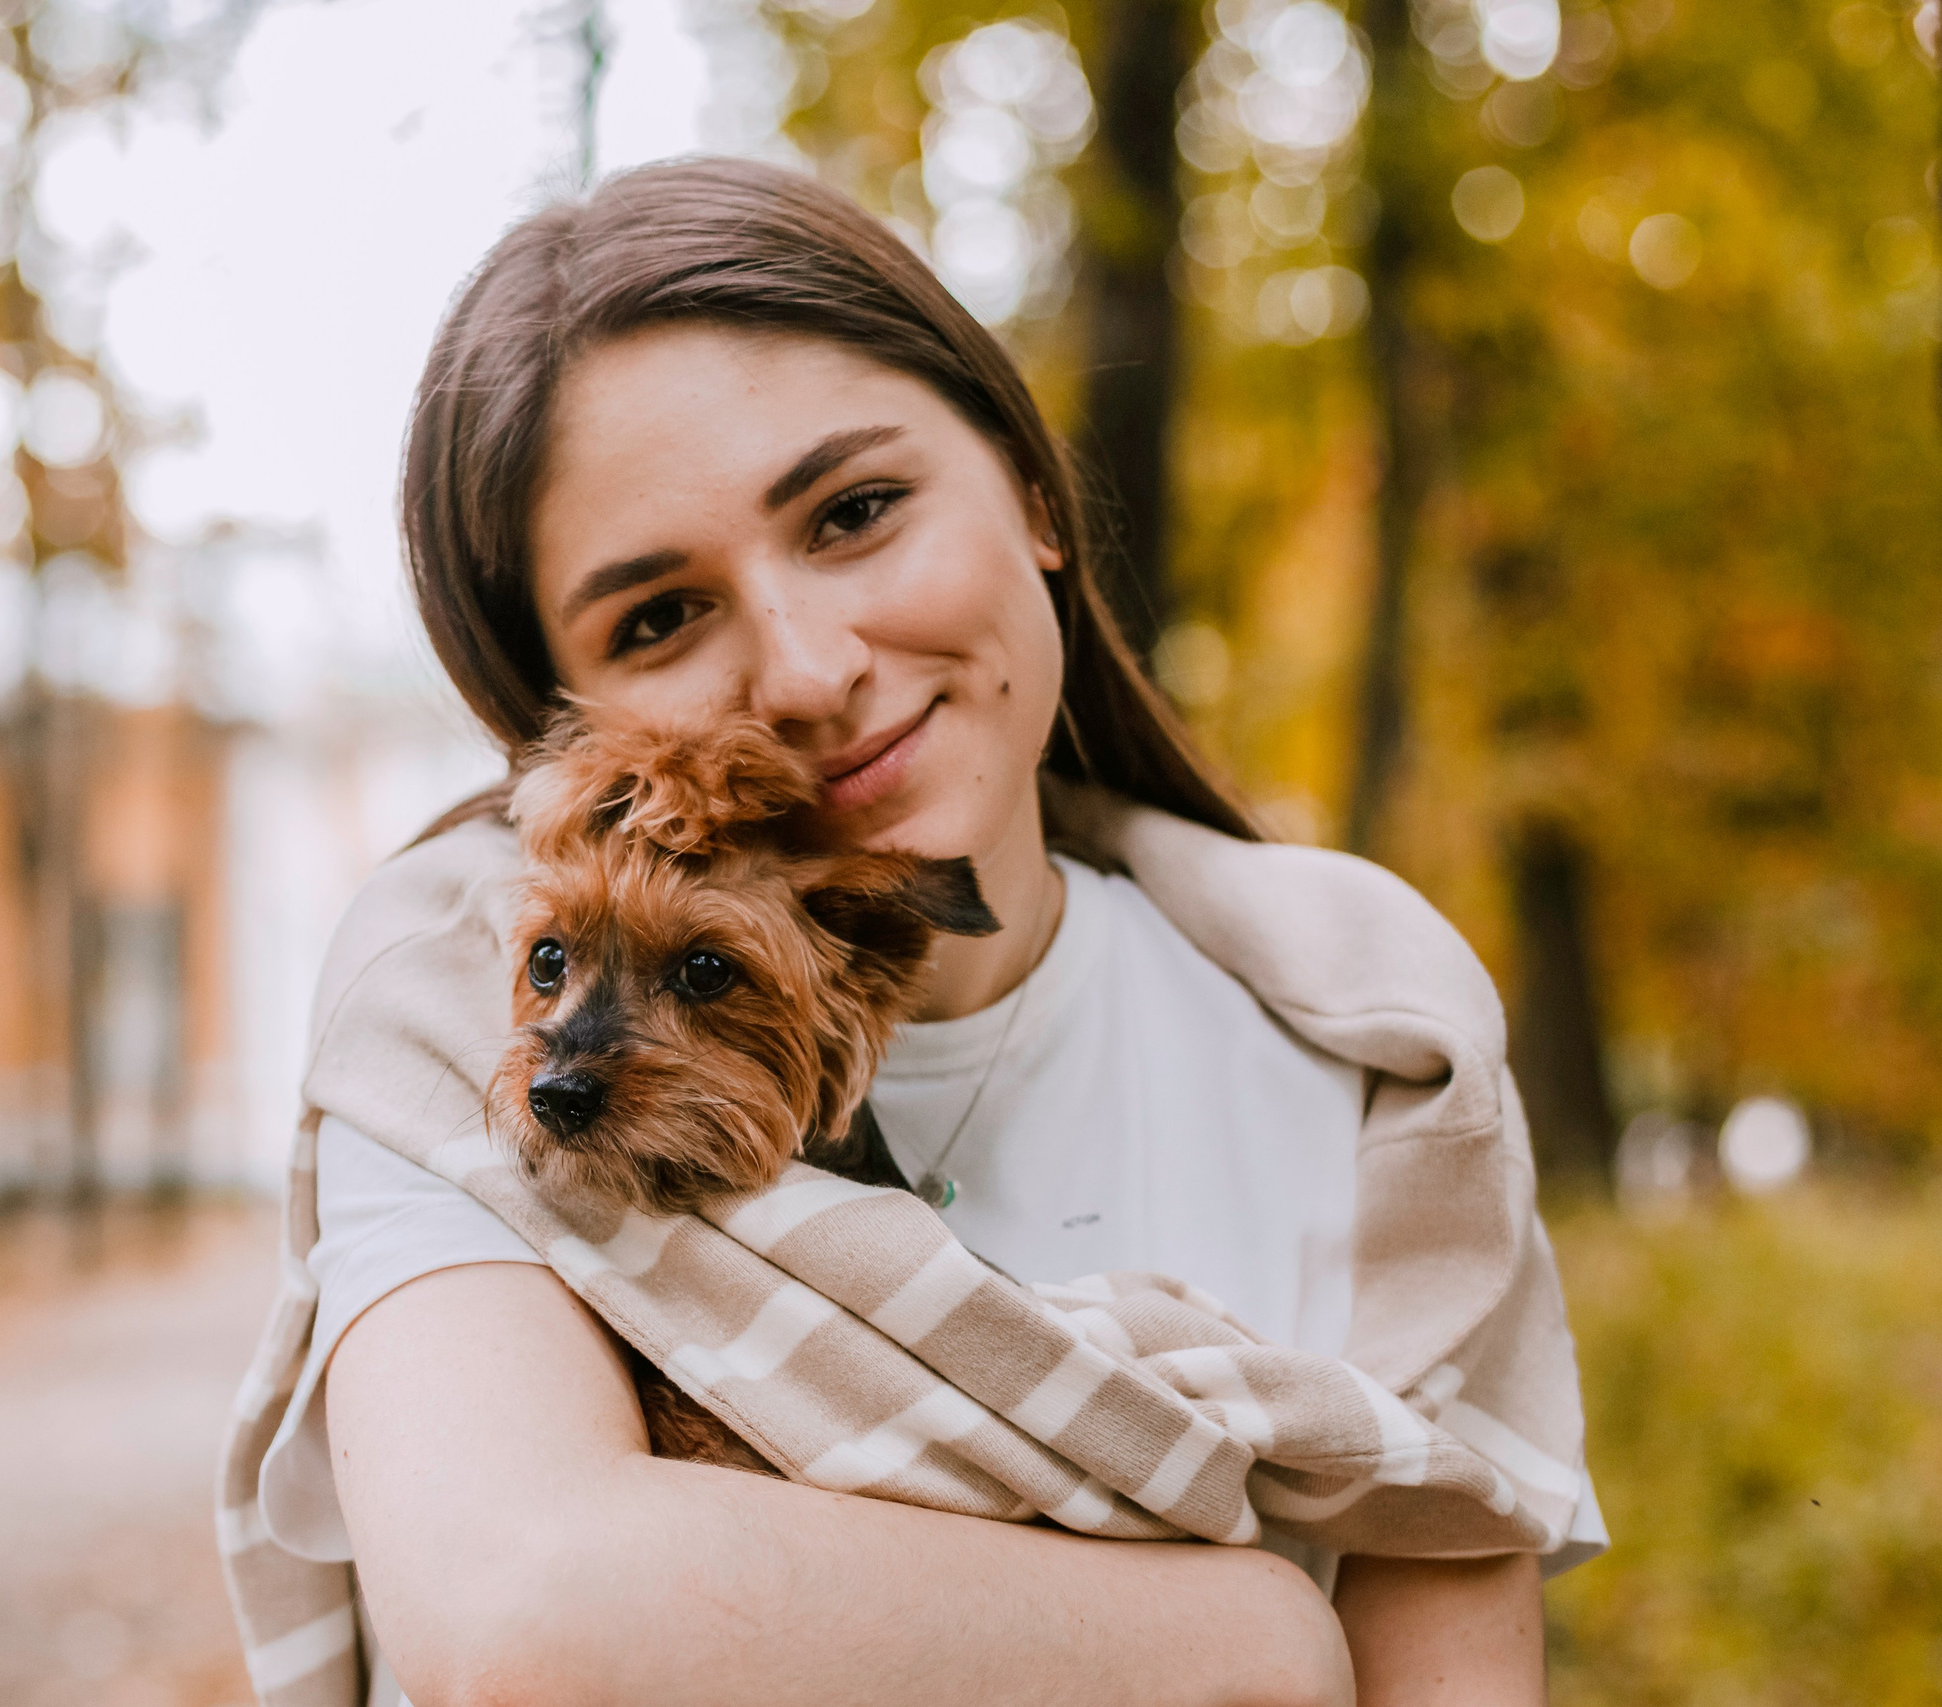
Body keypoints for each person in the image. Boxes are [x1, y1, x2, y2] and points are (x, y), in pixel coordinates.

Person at [235, 157, 1603, 1707]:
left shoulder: (1372, 1044)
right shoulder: (456, 1024)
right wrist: (1257, 1646)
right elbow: (524, 1623)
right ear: (556, 714)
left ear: (1029, 491)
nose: (811, 672)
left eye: (856, 511)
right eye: (659, 618)